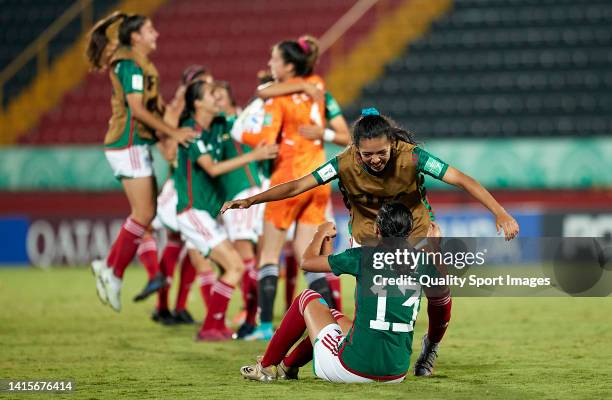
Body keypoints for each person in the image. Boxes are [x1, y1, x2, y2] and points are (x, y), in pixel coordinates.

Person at [223, 108, 520, 374]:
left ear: (392, 143)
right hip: (369, 240)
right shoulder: (342, 162)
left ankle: (430, 346)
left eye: (382, 152)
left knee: (440, 295)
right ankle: (362, 356)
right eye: (368, 155)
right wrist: (251, 200)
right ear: (356, 150)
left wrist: (500, 212)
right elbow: (299, 185)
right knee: (374, 305)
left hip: (414, 234)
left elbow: (461, 179)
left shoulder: (413, 156)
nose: (375, 159)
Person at [241, 202, 441, 382]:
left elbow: (307, 262)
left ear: (376, 229)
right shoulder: (424, 262)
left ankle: (266, 367)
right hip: (395, 374)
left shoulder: (363, 256)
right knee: (333, 316)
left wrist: (320, 234)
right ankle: (287, 366)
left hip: (353, 370)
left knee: (307, 298)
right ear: (410, 231)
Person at [86, 12, 197, 312]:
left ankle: (109, 268)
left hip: (136, 144)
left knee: (145, 213)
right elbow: (136, 109)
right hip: (128, 142)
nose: (155, 34)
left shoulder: (138, 64)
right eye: (149, 30)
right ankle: (112, 271)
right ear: (135, 37)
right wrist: (171, 132)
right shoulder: (129, 65)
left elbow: (150, 105)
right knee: (145, 211)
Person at [229, 36, 337, 340]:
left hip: (289, 181)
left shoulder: (277, 99)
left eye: (274, 60)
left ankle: (264, 327)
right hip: (318, 180)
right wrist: (303, 86)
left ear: (288, 66)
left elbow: (265, 136)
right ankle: (332, 325)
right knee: (309, 259)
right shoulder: (317, 84)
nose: (269, 65)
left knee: (269, 255)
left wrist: (245, 135)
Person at [175, 79, 278, 340]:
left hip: (210, 212)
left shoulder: (219, 126)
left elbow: (245, 117)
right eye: (211, 94)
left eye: (219, 94)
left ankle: (218, 324)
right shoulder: (190, 130)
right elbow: (211, 168)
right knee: (235, 264)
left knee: (234, 265)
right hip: (192, 210)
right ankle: (215, 325)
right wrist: (253, 156)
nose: (216, 99)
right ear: (198, 102)